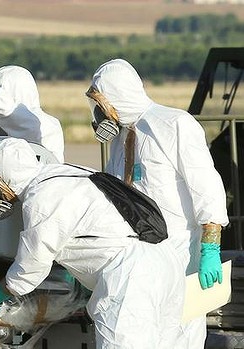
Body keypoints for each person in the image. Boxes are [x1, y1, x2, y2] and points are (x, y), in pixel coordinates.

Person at [0, 137, 184, 348]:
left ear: (4, 176)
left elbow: (33, 265)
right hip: (166, 263)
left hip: (131, 276)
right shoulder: (67, 173)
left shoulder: (41, 197)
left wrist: (1, 291)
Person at [87, 58, 229, 348]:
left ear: (119, 96)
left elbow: (207, 186)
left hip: (179, 252)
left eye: (102, 103)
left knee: (180, 335)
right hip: (138, 258)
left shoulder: (174, 124)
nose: (100, 114)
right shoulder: (120, 140)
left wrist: (210, 246)